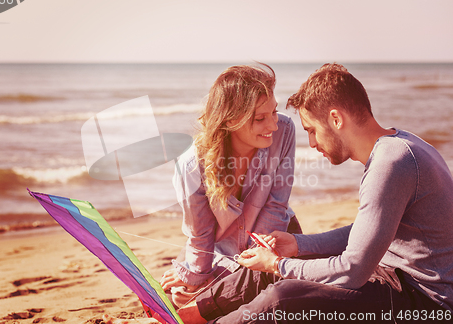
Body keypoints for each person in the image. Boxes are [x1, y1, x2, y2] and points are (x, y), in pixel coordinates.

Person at [178, 63, 453, 323]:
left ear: (335, 119)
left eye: (312, 130)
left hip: (425, 304)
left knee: (281, 299)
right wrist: (298, 245)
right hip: (395, 279)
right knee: (280, 262)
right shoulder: (397, 146)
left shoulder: (390, 163)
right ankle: (195, 312)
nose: (311, 143)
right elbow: (365, 234)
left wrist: (278, 265)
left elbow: (352, 270)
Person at [159, 63, 301, 308]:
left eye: (274, 112)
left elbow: (277, 207)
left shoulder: (284, 131)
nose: (273, 125)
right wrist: (197, 278)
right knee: (178, 295)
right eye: (260, 118)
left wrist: (223, 278)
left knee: (264, 298)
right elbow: (200, 234)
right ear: (231, 120)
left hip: (273, 238)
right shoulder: (192, 165)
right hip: (217, 248)